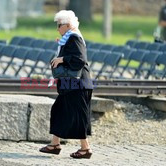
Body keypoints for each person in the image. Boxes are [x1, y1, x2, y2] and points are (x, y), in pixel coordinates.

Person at [39, 10, 93, 159]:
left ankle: (85, 148)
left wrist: (62, 59)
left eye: (59, 25)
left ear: (68, 25)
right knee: (59, 110)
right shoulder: (69, 37)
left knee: (79, 115)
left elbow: (80, 59)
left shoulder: (74, 37)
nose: (57, 28)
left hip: (78, 84)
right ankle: (55, 144)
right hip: (72, 85)